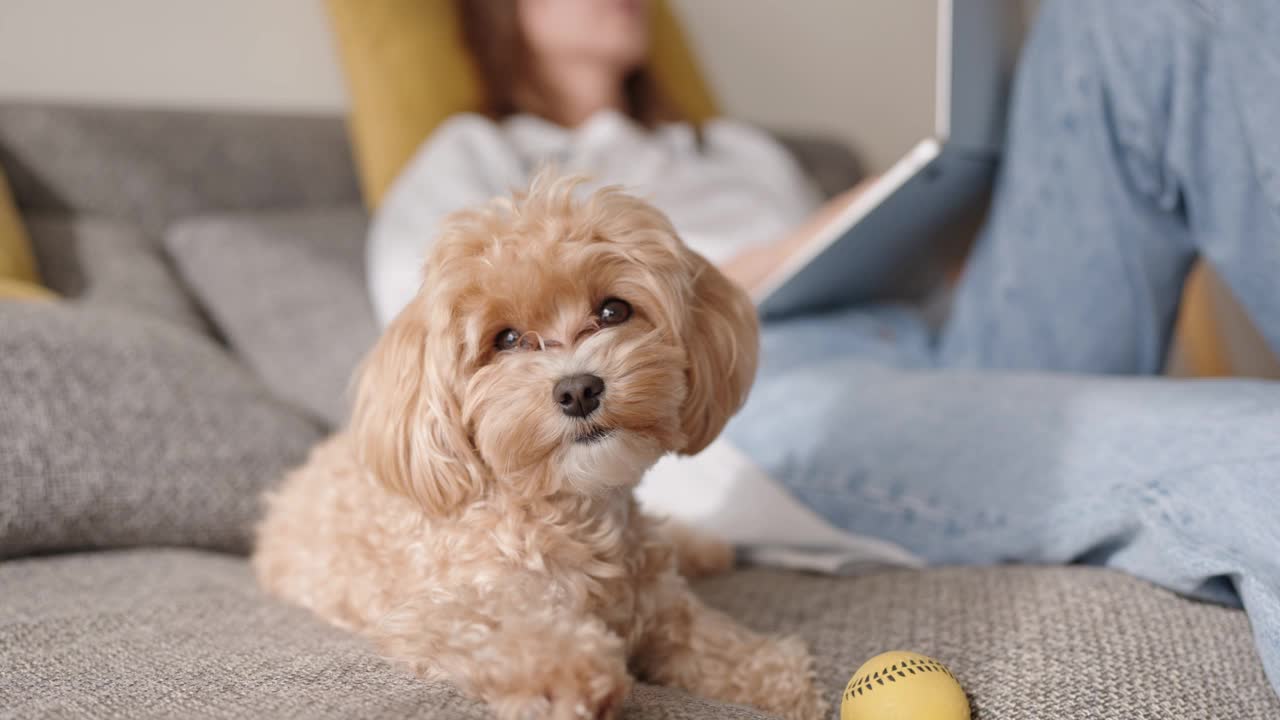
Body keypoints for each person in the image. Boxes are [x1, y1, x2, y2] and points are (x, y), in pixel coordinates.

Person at [369, 0, 1280, 693]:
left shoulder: (733, 148)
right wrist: (680, 281)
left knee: (1142, 15)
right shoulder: (473, 157)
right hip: (798, 392)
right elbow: (452, 338)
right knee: (1258, 452)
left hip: (929, 339)